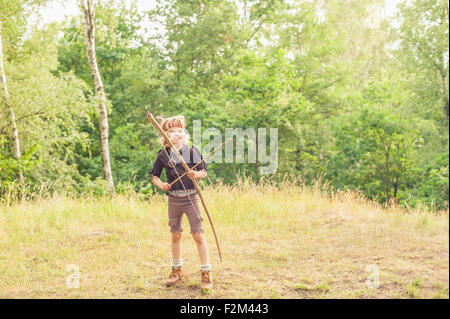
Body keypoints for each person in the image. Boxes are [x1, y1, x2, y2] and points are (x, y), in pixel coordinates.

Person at [149, 115, 213, 292]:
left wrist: (196, 175)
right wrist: (161, 184)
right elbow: (154, 175)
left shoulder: (191, 151)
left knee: (198, 235)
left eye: (179, 130)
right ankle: (177, 270)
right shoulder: (163, 154)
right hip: (173, 199)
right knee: (176, 234)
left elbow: (204, 171)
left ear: (183, 133)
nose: (176, 133)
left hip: (191, 197)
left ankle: (206, 273)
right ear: (165, 134)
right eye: (171, 131)